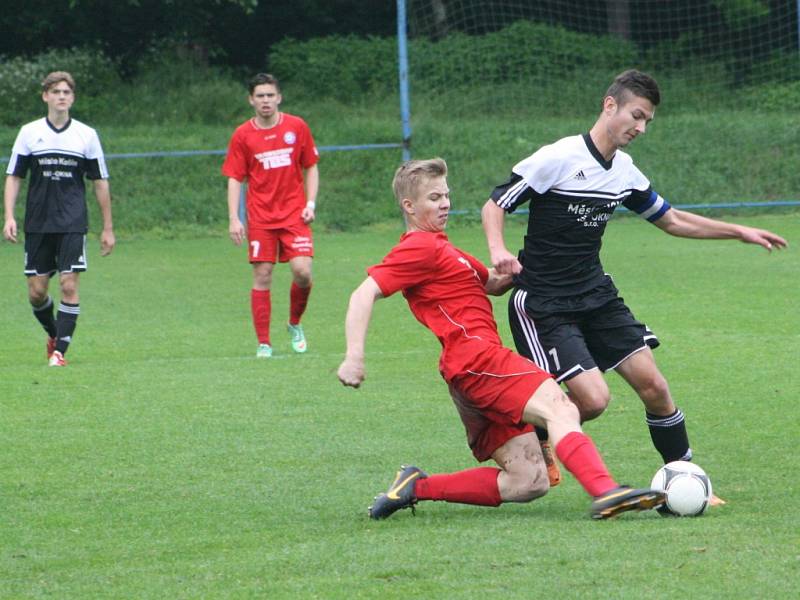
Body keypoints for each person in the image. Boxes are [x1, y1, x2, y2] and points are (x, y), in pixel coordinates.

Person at [482, 69, 787, 500]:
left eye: (647, 122)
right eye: (636, 116)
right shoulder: (559, 157)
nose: (640, 128)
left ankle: (683, 475)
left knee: (655, 386)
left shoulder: (623, 172)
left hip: (596, 295)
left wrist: (737, 231)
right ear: (610, 106)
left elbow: (673, 220)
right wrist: (498, 250)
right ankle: (524, 437)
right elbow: (496, 203)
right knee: (592, 401)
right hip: (545, 302)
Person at [337, 158, 665, 520]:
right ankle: (606, 491)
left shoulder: (446, 249)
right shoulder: (419, 248)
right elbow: (363, 294)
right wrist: (354, 356)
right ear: (409, 206)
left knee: (529, 481)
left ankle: (415, 486)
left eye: (446, 195)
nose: (445, 203)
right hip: (478, 360)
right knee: (562, 407)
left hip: (467, 373)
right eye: (434, 198)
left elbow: (491, 283)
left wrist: (537, 262)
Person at [3, 71, 115, 367]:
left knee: (68, 284)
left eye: (66, 92)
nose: (61, 96)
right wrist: (9, 216)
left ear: (73, 97)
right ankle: (55, 334)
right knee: (37, 292)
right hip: (38, 223)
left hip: (71, 222)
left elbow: (100, 182)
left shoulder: (86, 135)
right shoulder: (29, 133)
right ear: (45, 96)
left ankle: (59, 353)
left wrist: (108, 227)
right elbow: (14, 176)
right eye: (56, 92)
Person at [222, 73, 320, 358]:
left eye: (270, 95)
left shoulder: (297, 127)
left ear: (279, 97)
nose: (266, 100)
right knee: (263, 275)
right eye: (260, 96)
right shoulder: (243, 135)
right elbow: (234, 178)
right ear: (251, 100)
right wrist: (234, 217)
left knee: (302, 272)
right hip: (261, 218)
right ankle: (264, 343)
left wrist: (310, 203)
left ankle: (294, 323)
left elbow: (311, 165)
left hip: (294, 216)